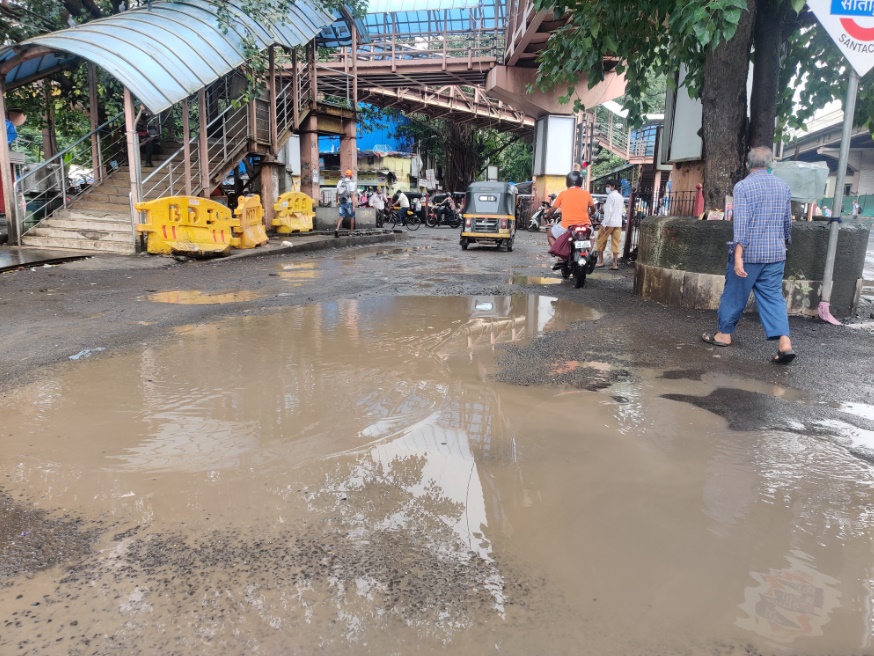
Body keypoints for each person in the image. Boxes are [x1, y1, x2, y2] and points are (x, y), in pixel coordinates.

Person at [702, 146, 796, 365]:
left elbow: (741, 224)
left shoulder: (744, 187)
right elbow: (786, 223)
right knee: (773, 298)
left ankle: (724, 335)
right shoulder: (783, 187)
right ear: (770, 163)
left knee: (735, 294)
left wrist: (737, 256)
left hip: (750, 254)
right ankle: (784, 343)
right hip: (775, 254)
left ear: (747, 164)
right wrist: (784, 243)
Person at [545, 171, 595, 248]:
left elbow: (552, 210)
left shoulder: (562, 194)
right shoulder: (587, 194)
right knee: (592, 237)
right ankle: (588, 252)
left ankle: (560, 255)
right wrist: (590, 214)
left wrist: (548, 216)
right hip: (585, 225)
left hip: (566, 227)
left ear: (568, 182)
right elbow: (593, 209)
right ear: (580, 182)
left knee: (550, 235)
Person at [597, 179, 624, 270]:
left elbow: (609, 211)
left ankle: (600, 261)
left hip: (609, 223)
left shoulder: (610, 197)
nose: (607, 188)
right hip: (618, 223)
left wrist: (604, 223)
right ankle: (615, 264)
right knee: (615, 243)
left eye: (608, 186)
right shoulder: (621, 197)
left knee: (601, 241)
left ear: (613, 187)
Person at [335, 169, 356, 237]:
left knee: (341, 216)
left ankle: (337, 229)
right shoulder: (351, 183)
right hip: (348, 203)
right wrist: (354, 206)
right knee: (352, 216)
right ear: (350, 176)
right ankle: (351, 232)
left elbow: (337, 193)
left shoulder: (340, 182)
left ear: (345, 175)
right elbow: (352, 195)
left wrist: (336, 201)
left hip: (341, 202)